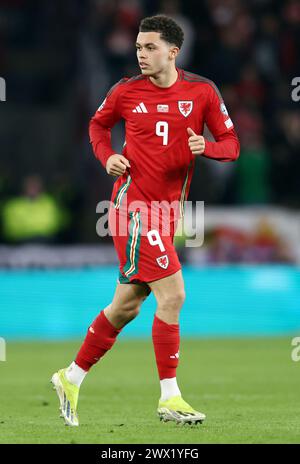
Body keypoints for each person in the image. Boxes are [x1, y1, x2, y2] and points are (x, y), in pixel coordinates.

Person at [51, 14, 240, 427]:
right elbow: (98, 125)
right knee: (173, 296)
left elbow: (232, 145)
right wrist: (108, 157)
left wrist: (205, 147)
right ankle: (169, 397)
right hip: (132, 208)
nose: (141, 54)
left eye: (150, 47)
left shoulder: (202, 92)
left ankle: (71, 376)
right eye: (138, 47)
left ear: (174, 51)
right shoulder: (124, 91)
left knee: (127, 306)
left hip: (167, 213)